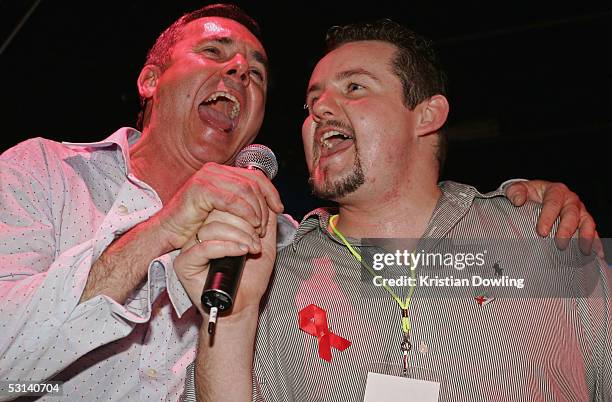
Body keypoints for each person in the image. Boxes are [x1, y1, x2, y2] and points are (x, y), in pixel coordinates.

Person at [0, 4, 599, 401]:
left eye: (257, 73)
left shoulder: (281, 245)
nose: (240, 71)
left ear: (428, 115)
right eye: (215, 54)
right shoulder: (45, 175)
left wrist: (526, 217)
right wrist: (162, 233)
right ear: (151, 78)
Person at [176, 19, 611, 401]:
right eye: (312, 102)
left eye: (354, 87)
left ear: (426, 115)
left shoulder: (538, 236)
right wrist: (232, 322)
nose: (319, 110)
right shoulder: (273, 279)